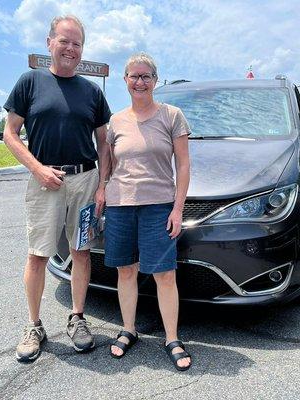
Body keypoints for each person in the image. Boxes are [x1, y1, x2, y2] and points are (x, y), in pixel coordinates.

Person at [3, 15, 111, 362]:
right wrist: (36, 168)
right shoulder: (30, 82)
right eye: (64, 41)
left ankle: (77, 318)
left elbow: (104, 143)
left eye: (76, 43)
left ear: (82, 50)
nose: (70, 48)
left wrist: (102, 186)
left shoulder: (92, 92)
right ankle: (34, 325)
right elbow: (10, 134)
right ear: (50, 42)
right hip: (44, 181)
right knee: (38, 254)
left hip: (84, 181)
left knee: (81, 252)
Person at [104, 53, 192, 371]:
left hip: (158, 206)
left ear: (155, 80)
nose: (140, 82)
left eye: (146, 76)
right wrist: (101, 190)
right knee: (125, 271)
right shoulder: (115, 121)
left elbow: (183, 164)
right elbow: (108, 164)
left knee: (164, 274)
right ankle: (129, 329)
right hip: (120, 206)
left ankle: (172, 338)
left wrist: (178, 208)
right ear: (125, 80)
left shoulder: (172, 115)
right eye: (134, 76)